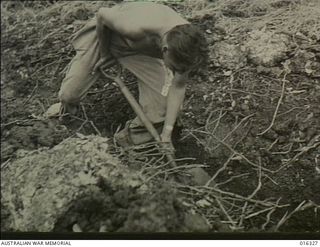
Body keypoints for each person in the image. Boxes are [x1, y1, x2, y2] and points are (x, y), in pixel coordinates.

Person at [53, 2, 208, 147]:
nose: (176, 71)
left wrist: (167, 134)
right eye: (173, 67)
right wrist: (105, 54)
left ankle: (122, 142)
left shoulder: (186, 48)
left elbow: (178, 87)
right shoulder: (134, 27)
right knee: (69, 95)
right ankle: (66, 120)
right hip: (106, 35)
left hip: (140, 50)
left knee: (161, 109)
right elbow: (102, 15)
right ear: (165, 51)